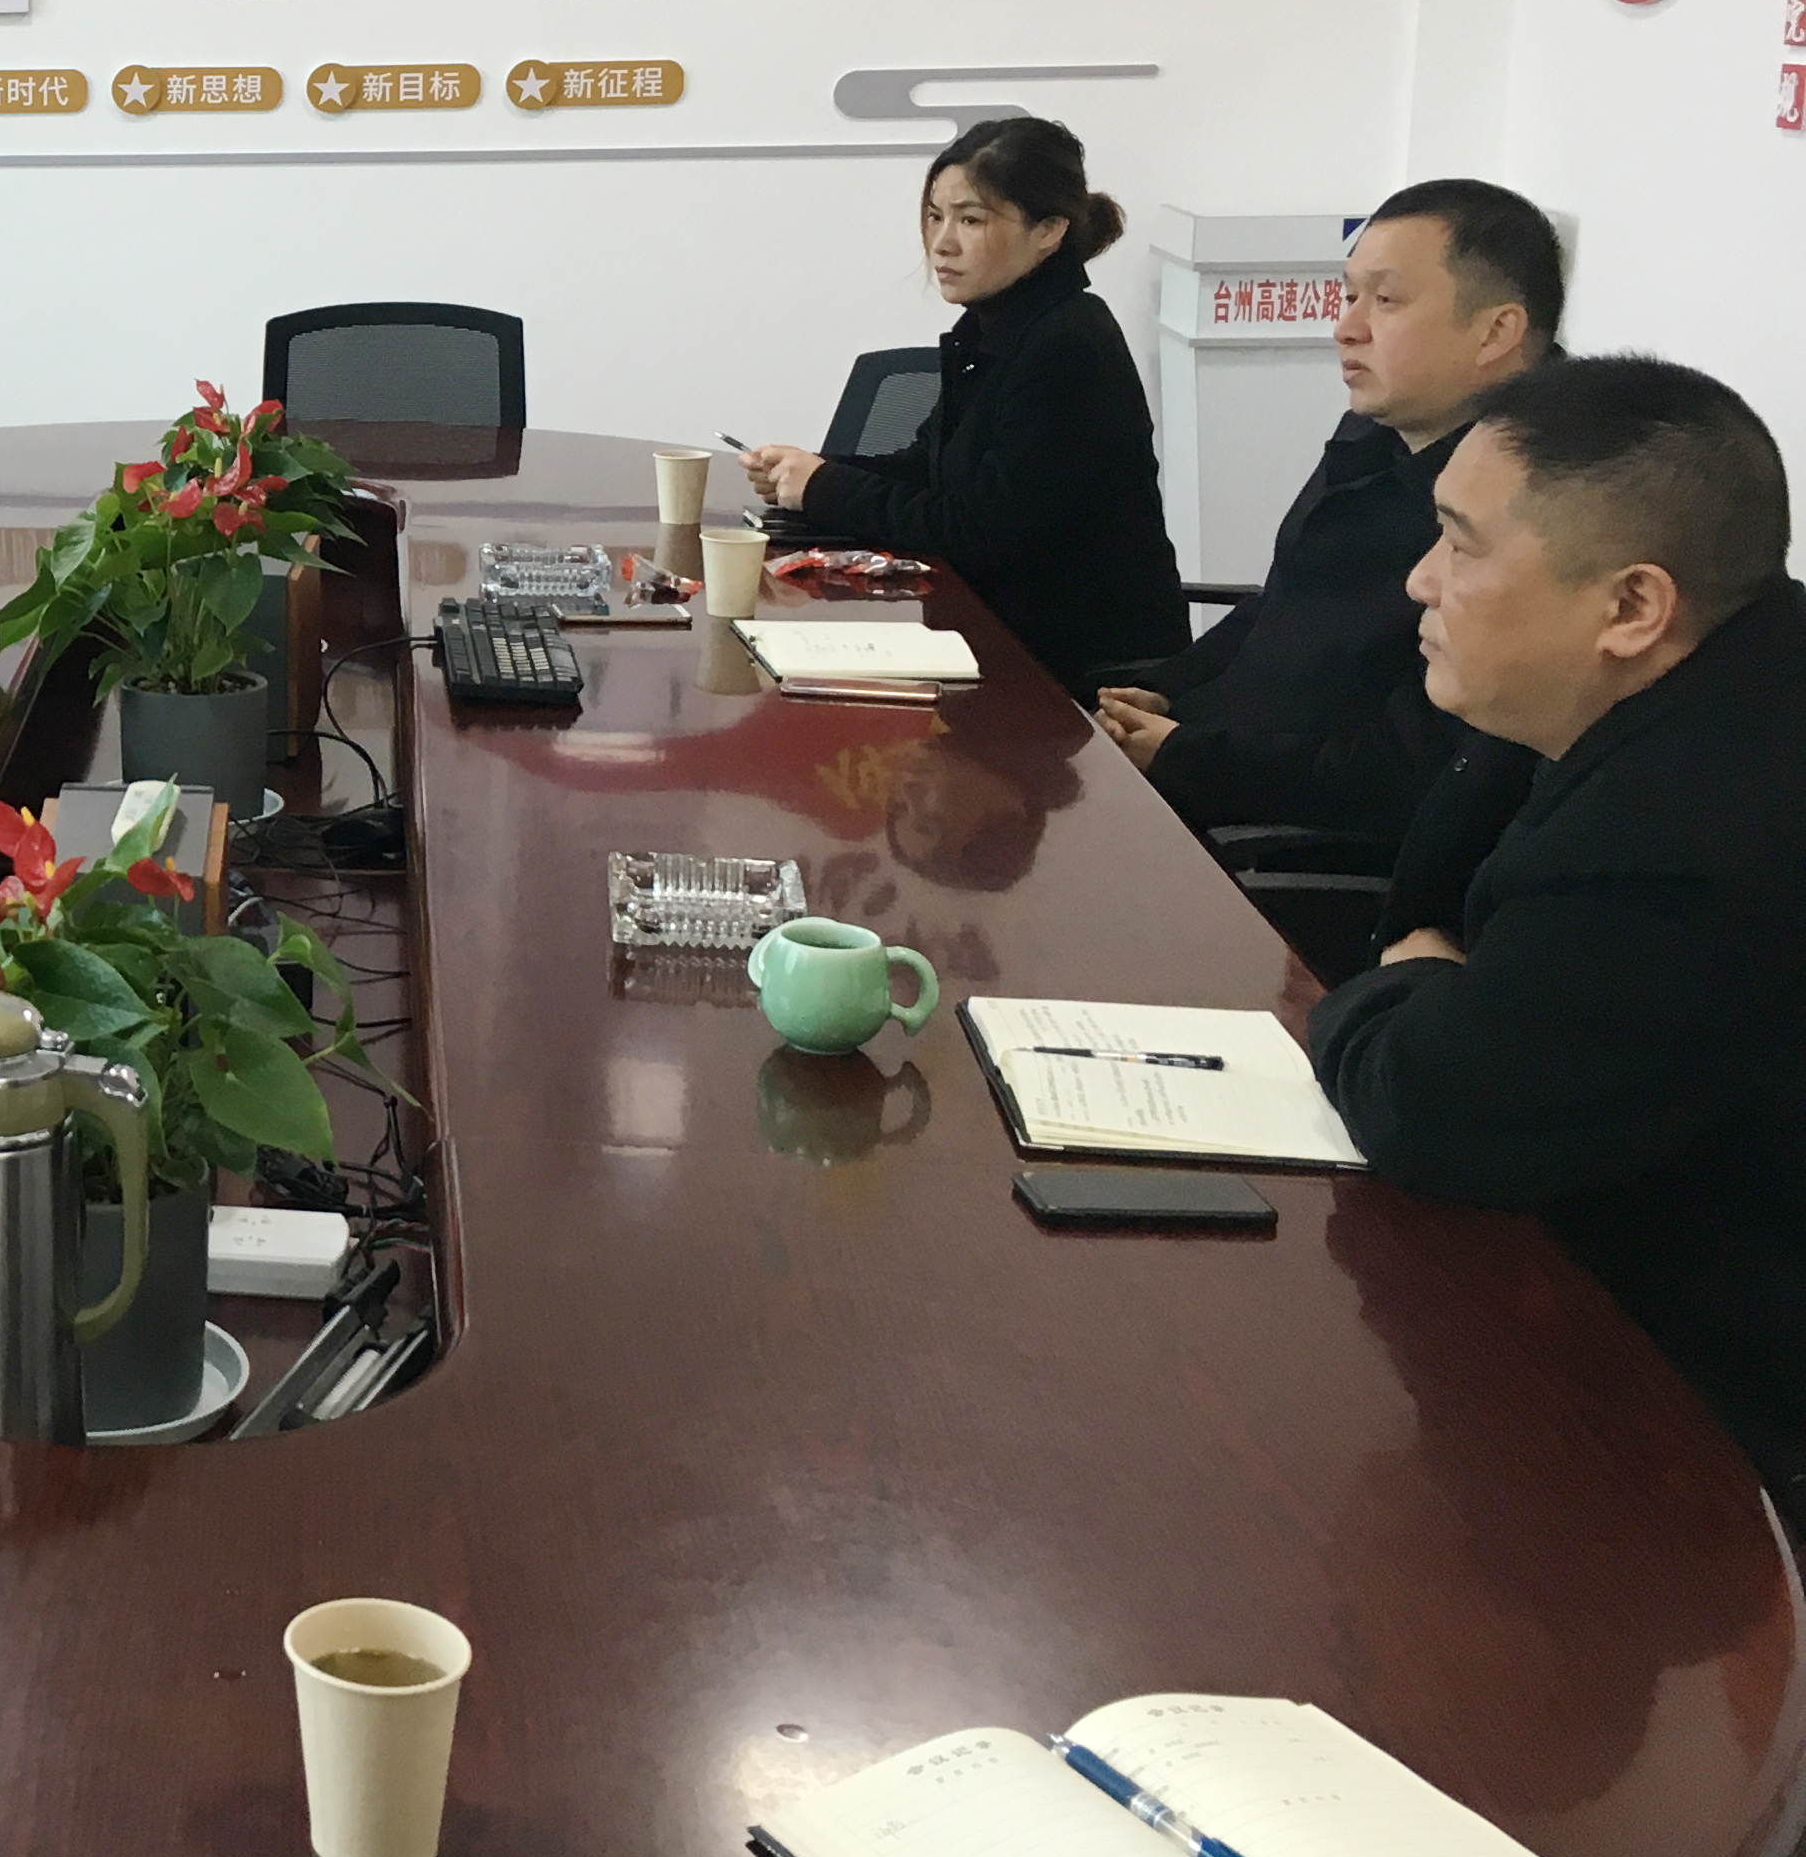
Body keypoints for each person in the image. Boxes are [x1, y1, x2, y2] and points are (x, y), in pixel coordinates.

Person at [1307, 355, 1806, 1504]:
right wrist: (1433, 973)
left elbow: (1432, 1105)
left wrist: (1406, 981)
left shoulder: (1686, 838)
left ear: (1631, 608)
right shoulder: (1700, 681)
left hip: (1696, 1443)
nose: (1419, 581)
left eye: (1461, 544)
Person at [1093, 179, 1562, 855]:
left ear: (1496, 331)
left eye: (1386, 301)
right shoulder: (1379, 431)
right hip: (1208, 771)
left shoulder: (1531, 504)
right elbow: (1280, 603)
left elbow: (1405, 774)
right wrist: (1162, 693)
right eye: (1349, 296)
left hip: (1280, 836)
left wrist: (1187, 756)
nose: (1346, 327)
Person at [740, 115, 1186, 690]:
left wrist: (825, 487)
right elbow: (930, 468)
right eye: (935, 216)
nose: (941, 243)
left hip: (1076, 676)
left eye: (971, 219)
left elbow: (979, 531)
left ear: (1048, 230)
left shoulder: (1067, 345)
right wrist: (813, 471)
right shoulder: (997, 326)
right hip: (991, 637)